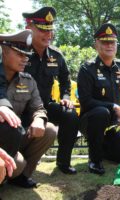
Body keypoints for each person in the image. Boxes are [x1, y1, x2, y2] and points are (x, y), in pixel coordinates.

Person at [22, 6, 79, 174]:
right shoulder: (18, 52)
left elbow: (65, 78)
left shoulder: (56, 55)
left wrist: (66, 96)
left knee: (70, 114)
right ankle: (21, 163)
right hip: (20, 108)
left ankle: (63, 162)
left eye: (50, 30)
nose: (48, 35)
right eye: (43, 30)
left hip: (44, 106)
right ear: (29, 28)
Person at [77, 23, 120, 175]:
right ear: (96, 44)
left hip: (113, 123)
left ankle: (102, 148)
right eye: (104, 42)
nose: (109, 45)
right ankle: (94, 160)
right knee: (102, 112)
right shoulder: (87, 69)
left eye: (112, 42)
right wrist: (114, 107)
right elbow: (86, 101)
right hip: (91, 121)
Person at [0, 30, 56, 188]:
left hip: (15, 137)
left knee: (50, 129)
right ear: (4, 51)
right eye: (20, 54)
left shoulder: (28, 81)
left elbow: (38, 107)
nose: (25, 59)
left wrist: (39, 118)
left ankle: (21, 177)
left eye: (27, 55)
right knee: (17, 163)